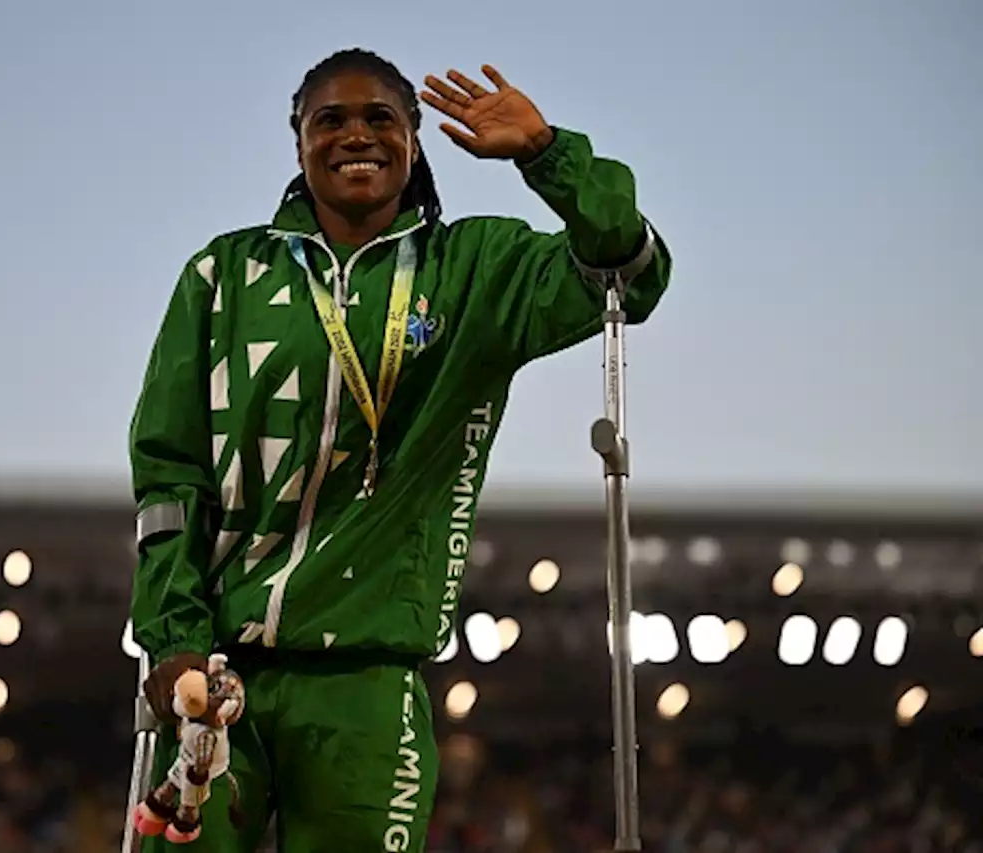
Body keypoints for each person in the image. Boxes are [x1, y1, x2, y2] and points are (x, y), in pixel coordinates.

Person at [128, 47, 672, 852]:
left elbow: (630, 269)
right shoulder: (222, 276)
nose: (357, 135)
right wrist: (173, 643)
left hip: (369, 686)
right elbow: (169, 477)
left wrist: (546, 154)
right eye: (331, 120)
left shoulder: (475, 271)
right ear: (298, 140)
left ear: (414, 141)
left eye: (381, 117)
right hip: (217, 679)